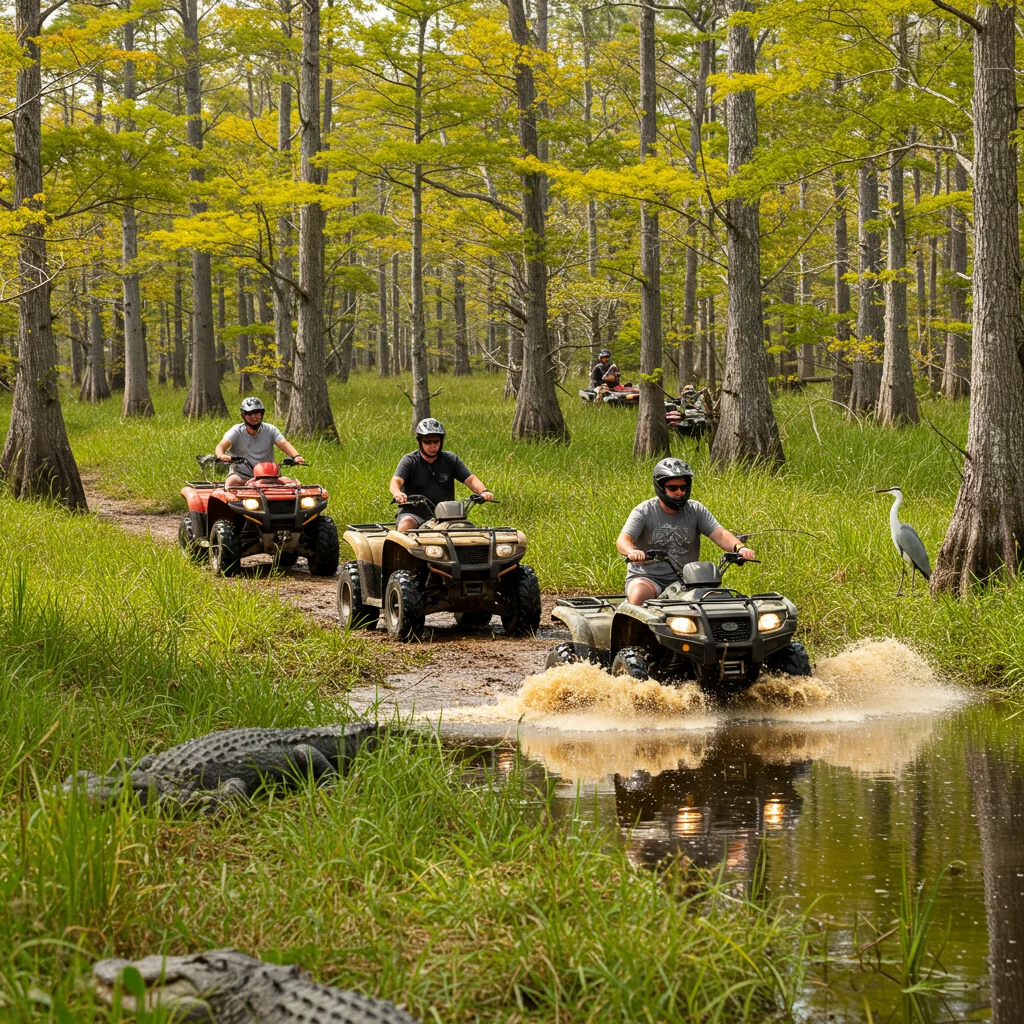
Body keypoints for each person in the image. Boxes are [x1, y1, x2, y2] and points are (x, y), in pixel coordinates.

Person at [616, 458, 755, 605]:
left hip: (688, 580)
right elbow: (623, 540)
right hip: (648, 578)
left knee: (717, 602)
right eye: (673, 488)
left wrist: (740, 548)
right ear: (661, 487)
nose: (679, 493)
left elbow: (720, 534)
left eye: (683, 488)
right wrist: (632, 552)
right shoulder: (644, 511)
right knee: (639, 594)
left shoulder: (695, 510)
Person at [390, 418, 493, 531]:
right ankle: (400, 548)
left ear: (441, 441)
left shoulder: (451, 459)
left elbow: (470, 479)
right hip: (413, 513)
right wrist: (397, 493)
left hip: (446, 514)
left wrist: (483, 491)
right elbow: (396, 481)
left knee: (467, 532)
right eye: (427, 442)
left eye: (436, 442)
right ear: (420, 442)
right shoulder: (410, 460)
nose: (432, 446)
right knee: (406, 524)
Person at [215, 397, 305, 488]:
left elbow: (283, 443)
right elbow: (221, 446)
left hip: (268, 476)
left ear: (262, 414)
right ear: (243, 415)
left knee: (290, 483)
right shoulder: (236, 431)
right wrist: (221, 455)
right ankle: (230, 502)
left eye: (257, 413)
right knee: (231, 482)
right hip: (242, 475)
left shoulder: (270, 429)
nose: (254, 417)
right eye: (249, 414)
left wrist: (296, 456)